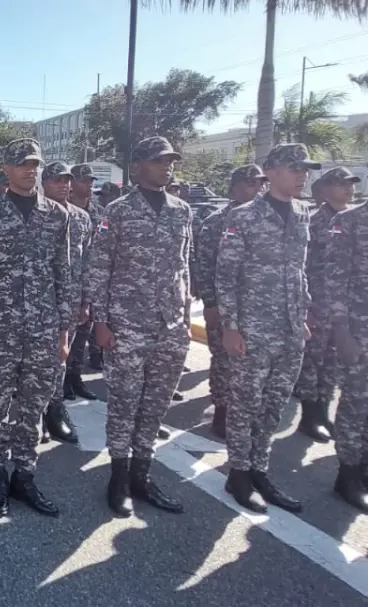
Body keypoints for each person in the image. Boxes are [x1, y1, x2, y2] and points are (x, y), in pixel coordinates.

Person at [85, 136, 192, 518]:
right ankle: (117, 478)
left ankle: (142, 475)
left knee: (155, 405)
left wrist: (184, 315)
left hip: (171, 325)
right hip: (127, 325)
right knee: (124, 404)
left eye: (171, 161)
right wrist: (101, 321)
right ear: (138, 167)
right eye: (160, 161)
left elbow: (184, 266)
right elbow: (99, 269)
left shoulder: (182, 210)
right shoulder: (118, 211)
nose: (168, 166)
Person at [0, 140, 69, 517]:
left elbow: (63, 275)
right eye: (21, 163)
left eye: (35, 164)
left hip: (43, 329)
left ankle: (25, 477)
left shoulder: (57, 216)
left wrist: (63, 334)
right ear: (6, 169)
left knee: (33, 407)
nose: (30, 169)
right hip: (0, 330)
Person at [216, 143, 319, 514]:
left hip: (290, 327)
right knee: (245, 403)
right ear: (271, 172)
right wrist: (230, 325)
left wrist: (303, 316)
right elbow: (225, 276)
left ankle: (260, 469)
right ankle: (238, 473)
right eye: (295, 169)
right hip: (253, 327)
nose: (302, 176)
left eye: (305, 170)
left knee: (274, 404)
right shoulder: (243, 217)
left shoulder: (303, 213)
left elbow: (299, 270)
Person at [193, 165, 268, 438]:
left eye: (260, 184)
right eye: (250, 184)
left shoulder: (266, 219)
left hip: (258, 308)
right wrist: (211, 304)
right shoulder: (216, 221)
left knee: (253, 363)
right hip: (225, 305)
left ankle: (245, 412)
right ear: (234, 187)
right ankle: (221, 410)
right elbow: (204, 265)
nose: (257, 189)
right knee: (223, 360)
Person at [296, 167, 359, 442]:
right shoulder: (314, 221)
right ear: (325, 188)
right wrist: (305, 307)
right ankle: (309, 417)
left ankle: (323, 412)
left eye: (350, 184)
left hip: (346, 306)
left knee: (332, 363)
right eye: (340, 184)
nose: (348, 189)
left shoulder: (355, 219)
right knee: (313, 361)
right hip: (318, 302)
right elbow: (302, 266)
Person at [39, 161, 91, 446]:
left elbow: (86, 263)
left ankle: (55, 410)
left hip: (68, 302)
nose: (64, 185)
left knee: (60, 360)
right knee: (35, 364)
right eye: (58, 179)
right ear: (44, 183)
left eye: (67, 180)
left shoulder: (82, 218)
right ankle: (36, 416)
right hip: (39, 302)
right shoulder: (37, 213)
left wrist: (85, 301)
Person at [327, 183, 368, 511]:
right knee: (356, 403)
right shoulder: (351, 221)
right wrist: (341, 330)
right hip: (359, 328)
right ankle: (348, 473)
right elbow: (335, 279)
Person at [64, 164, 103, 400]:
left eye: (91, 181)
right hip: (66, 287)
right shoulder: (60, 211)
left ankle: (75, 379)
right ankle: (61, 384)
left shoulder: (98, 213)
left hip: (90, 284)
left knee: (81, 338)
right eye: (84, 181)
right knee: (63, 339)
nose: (88, 185)